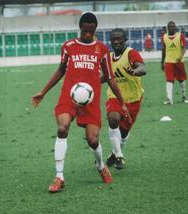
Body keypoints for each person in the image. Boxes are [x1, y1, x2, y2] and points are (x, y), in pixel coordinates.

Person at [31, 12, 130, 193]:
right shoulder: (69, 46)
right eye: (85, 29)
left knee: (93, 140)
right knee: (62, 128)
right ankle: (59, 176)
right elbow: (61, 70)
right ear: (80, 27)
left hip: (90, 102)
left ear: (95, 28)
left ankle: (101, 166)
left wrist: (122, 102)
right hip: (69, 97)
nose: (88, 32)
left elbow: (109, 78)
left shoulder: (102, 49)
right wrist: (43, 92)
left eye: (91, 29)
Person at [102, 28, 146, 169]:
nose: (116, 42)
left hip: (133, 99)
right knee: (113, 119)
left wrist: (134, 71)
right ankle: (119, 156)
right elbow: (106, 76)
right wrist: (90, 83)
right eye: (113, 39)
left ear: (125, 39)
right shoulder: (108, 57)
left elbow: (142, 68)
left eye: (119, 39)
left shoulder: (131, 53)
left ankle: (114, 154)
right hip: (114, 96)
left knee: (124, 132)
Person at [161, 21, 188, 105]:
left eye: (173, 26)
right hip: (168, 61)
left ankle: (184, 96)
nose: (171, 28)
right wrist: (162, 62)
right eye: (169, 26)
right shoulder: (164, 37)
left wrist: (181, 56)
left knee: (181, 79)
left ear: (175, 27)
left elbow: (184, 47)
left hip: (179, 61)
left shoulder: (180, 35)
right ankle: (169, 99)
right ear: (167, 28)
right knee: (169, 80)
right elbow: (164, 49)